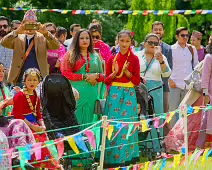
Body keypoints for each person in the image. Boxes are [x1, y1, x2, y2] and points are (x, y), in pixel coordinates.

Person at [12, 68, 63, 169]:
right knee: (38, 140)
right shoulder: (20, 96)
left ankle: (53, 164)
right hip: (22, 126)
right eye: (29, 80)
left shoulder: (37, 96)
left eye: (34, 80)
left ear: (39, 82)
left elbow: (38, 114)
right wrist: (33, 127)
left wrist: (42, 125)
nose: (32, 82)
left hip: (35, 124)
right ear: (24, 81)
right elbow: (18, 115)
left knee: (46, 139)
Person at [104, 29, 140, 168]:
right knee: (113, 124)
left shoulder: (135, 59)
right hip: (114, 94)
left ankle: (127, 157)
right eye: (122, 41)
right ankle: (111, 158)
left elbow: (137, 82)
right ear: (117, 41)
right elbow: (107, 81)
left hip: (129, 94)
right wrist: (114, 73)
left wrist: (126, 72)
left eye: (127, 41)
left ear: (131, 42)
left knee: (127, 126)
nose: (124, 44)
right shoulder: (112, 59)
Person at [1, 10, 60, 87]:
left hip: (39, 79)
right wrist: (16, 32)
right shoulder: (17, 37)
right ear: (23, 24)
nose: (30, 27)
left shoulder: (43, 37)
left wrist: (46, 33)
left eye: (33, 24)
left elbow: (56, 46)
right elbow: (3, 42)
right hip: (20, 79)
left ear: (37, 24)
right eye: (28, 24)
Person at [60, 29, 105, 130]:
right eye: (81, 38)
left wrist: (96, 76)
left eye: (87, 38)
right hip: (76, 95)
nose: (85, 40)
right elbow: (66, 74)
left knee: (91, 124)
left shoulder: (95, 56)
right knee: (76, 121)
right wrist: (85, 77)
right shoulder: (70, 55)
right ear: (76, 40)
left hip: (92, 95)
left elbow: (103, 76)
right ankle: (76, 145)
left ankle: (89, 145)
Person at [135, 33, 171, 153]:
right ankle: (140, 148)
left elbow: (167, 74)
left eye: (156, 43)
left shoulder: (162, 57)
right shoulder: (137, 55)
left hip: (156, 90)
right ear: (144, 43)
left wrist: (161, 61)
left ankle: (156, 148)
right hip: (139, 89)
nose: (153, 45)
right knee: (140, 117)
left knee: (156, 118)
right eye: (150, 42)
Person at [169, 27, 198, 127]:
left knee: (186, 114)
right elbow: (165, 67)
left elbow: (196, 66)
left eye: (187, 35)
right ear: (177, 36)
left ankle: (184, 139)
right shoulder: (171, 49)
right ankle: (172, 140)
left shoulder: (192, 49)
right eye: (182, 35)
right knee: (173, 113)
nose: (185, 37)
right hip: (174, 85)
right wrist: (169, 80)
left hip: (188, 86)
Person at [196, 36, 212, 149]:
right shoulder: (209, 57)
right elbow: (205, 78)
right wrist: (206, 94)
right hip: (210, 94)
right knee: (207, 120)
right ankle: (201, 145)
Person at [0, 16, 13, 82]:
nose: (2, 28)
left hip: (13, 82)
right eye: (0, 26)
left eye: (5, 26)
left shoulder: (16, 44)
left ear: (9, 28)